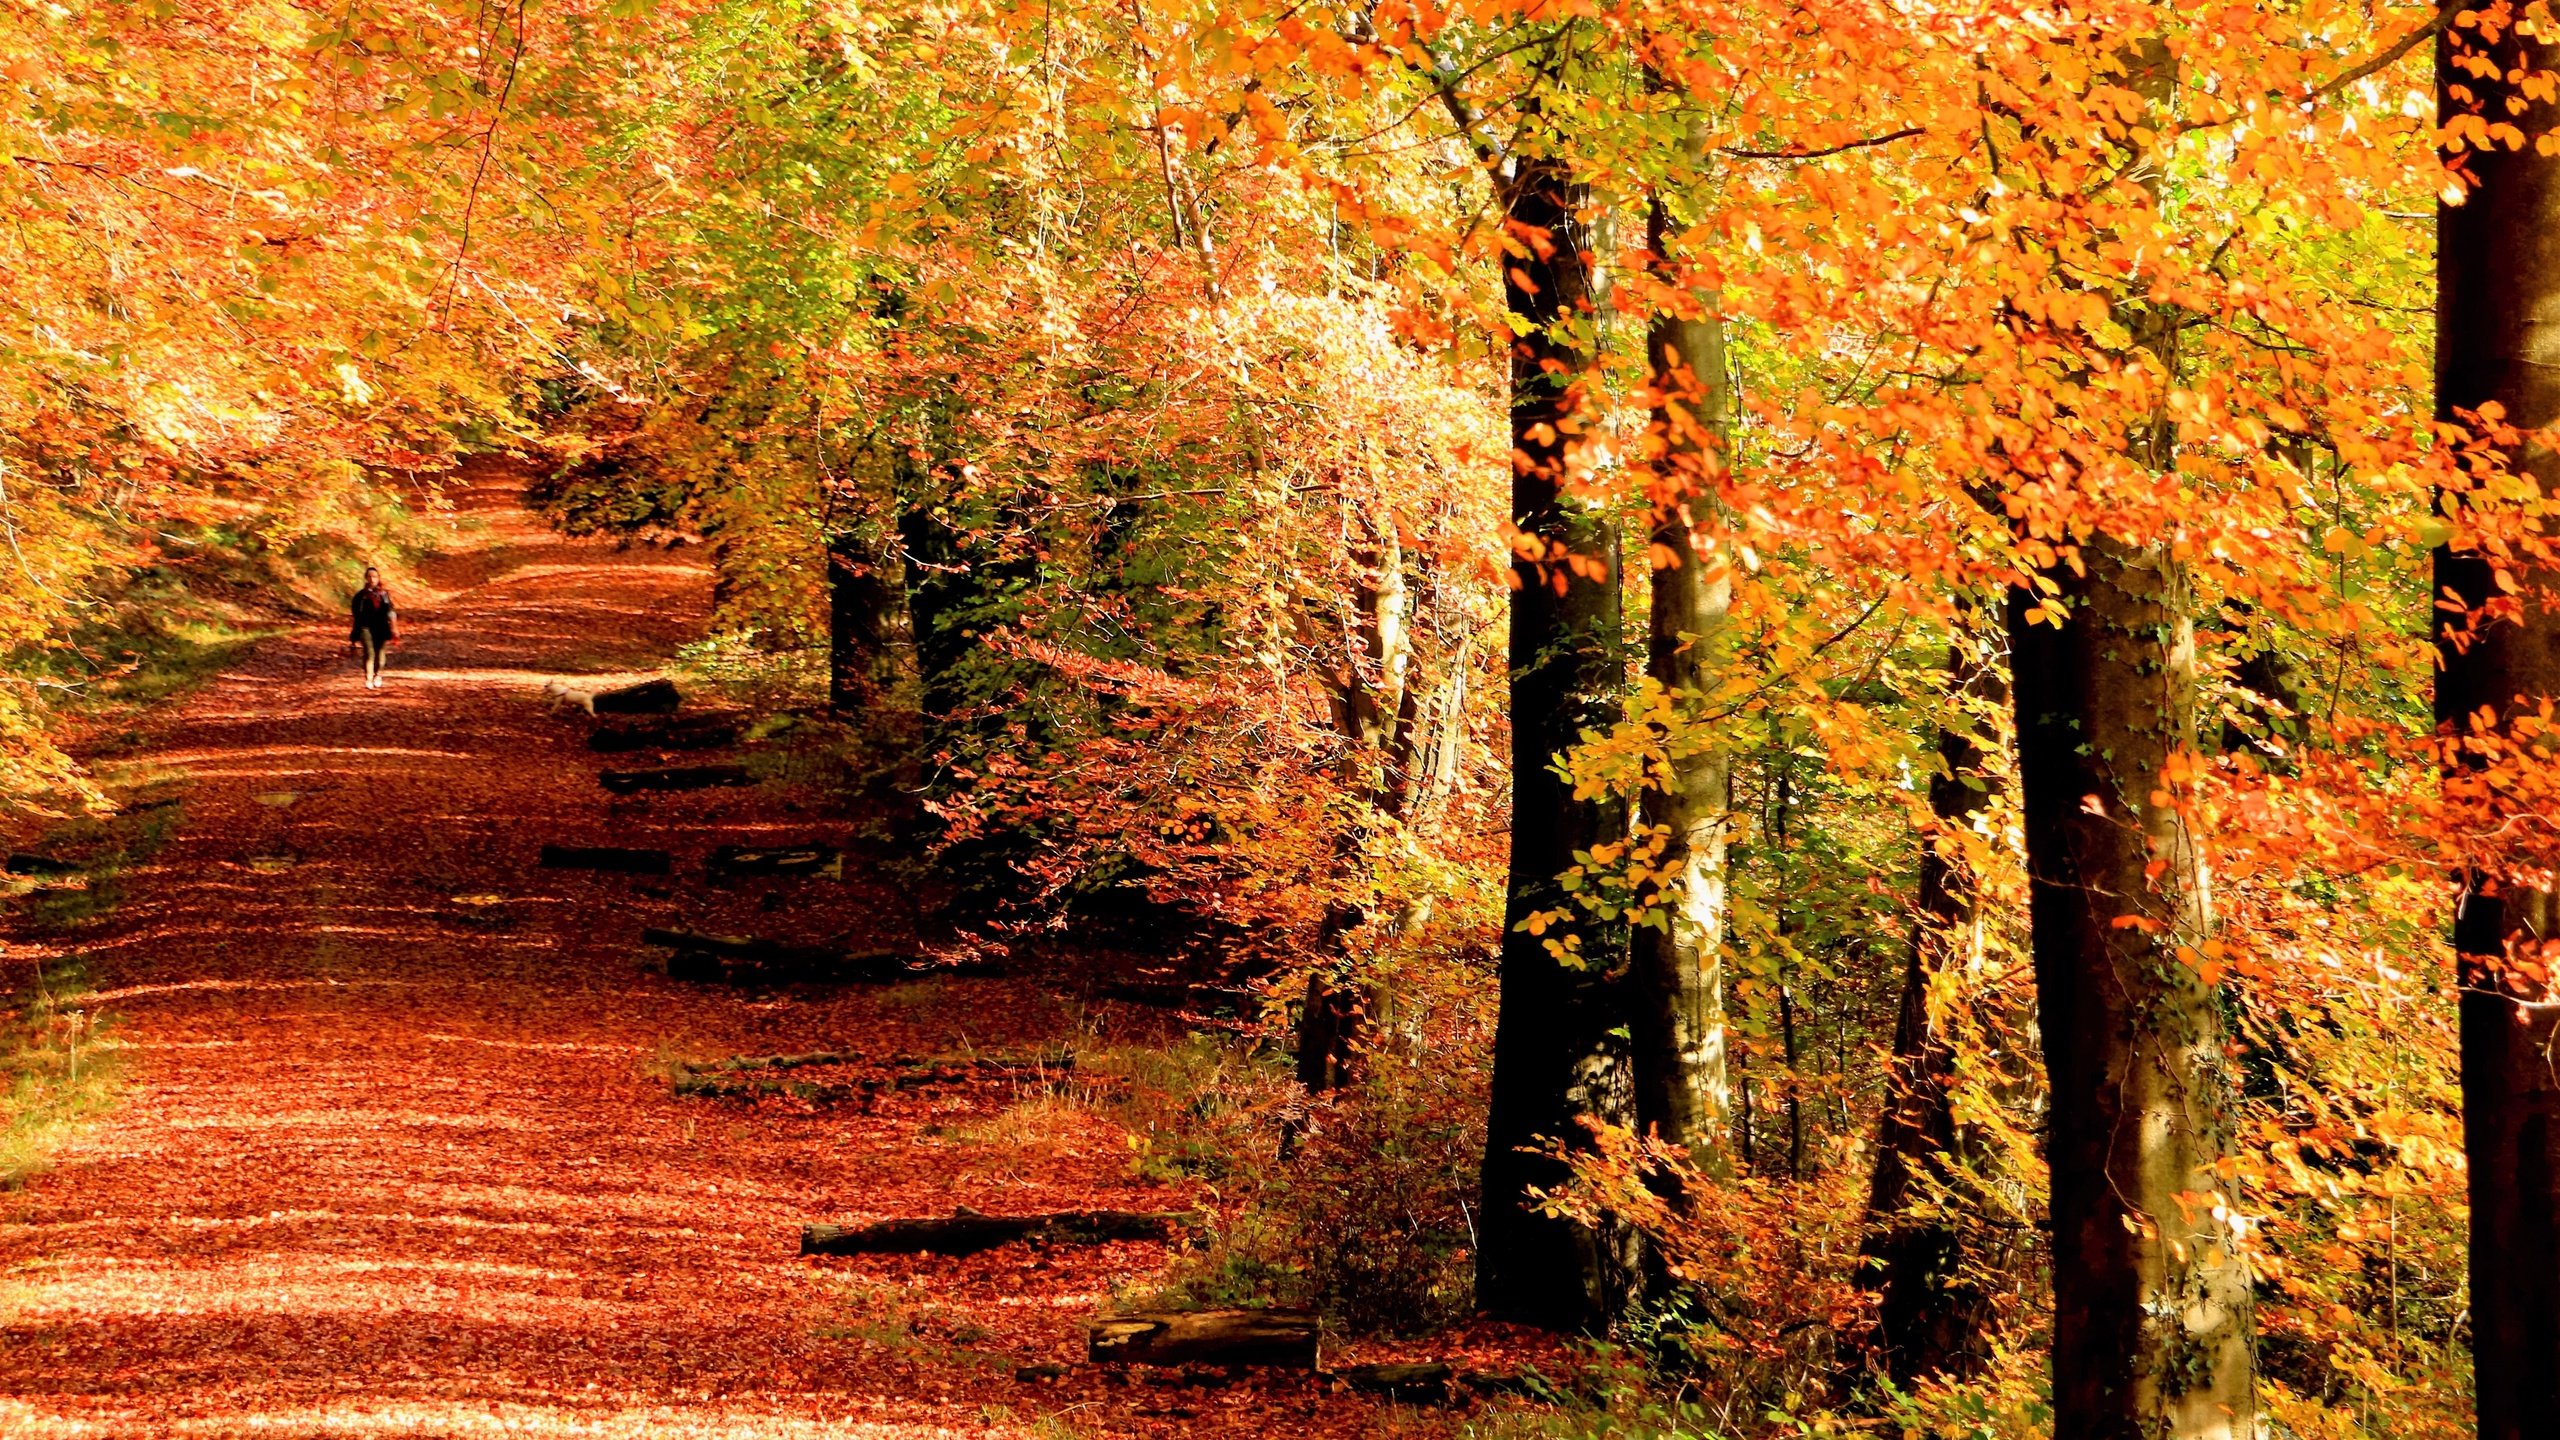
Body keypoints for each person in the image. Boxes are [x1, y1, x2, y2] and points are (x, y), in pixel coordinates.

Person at [349, 567, 397, 690]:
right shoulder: (360, 596)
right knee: (369, 652)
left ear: (378, 578)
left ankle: (378, 674)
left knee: (380, 653)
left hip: (381, 627)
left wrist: (394, 627)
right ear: (366, 578)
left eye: (374, 576)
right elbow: (355, 614)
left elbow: (390, 611)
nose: (372, 579)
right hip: (365, 627)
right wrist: (355, 633)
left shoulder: (384, 595)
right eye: (369, 576)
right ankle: (369, 677)